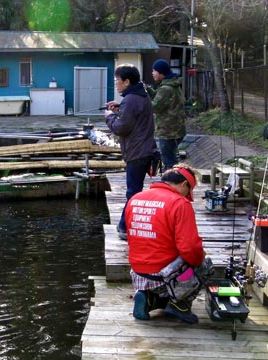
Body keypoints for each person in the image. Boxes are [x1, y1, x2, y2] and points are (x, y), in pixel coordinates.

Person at [124, 163, 213, 323]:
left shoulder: (135, 199)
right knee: (205, 264)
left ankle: (148, 298)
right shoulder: (180, 203)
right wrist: (200, 257)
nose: (188, 196)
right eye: (189, 191)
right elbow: (190, 248)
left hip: (138, 274)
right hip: (163, 277)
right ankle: (180, 305)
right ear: (185, 184)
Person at [104, 64, 160, 240]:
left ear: (127, 82)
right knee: (135, 190)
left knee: (133, 192)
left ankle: (124, 227)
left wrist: (109, 117)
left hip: (137, 153)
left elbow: (122, 127)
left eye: (117, 81)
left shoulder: (131, 99)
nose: (116, 85)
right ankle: (127, 226)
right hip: (145, 150)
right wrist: (119, 109)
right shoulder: (140, 96)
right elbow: (134, 116)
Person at [146, 59, 186, 171]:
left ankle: (171, 182)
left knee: (169, 161)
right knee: (170, 157)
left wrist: (138, 102)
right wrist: (148, 89)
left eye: (154, 71)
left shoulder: (166, 89)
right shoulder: (171, 85)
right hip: (176, 129)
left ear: (161, 73)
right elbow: (160, 99)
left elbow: (154, 106)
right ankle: (172, 181)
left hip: (169, 132)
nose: (152, 73)